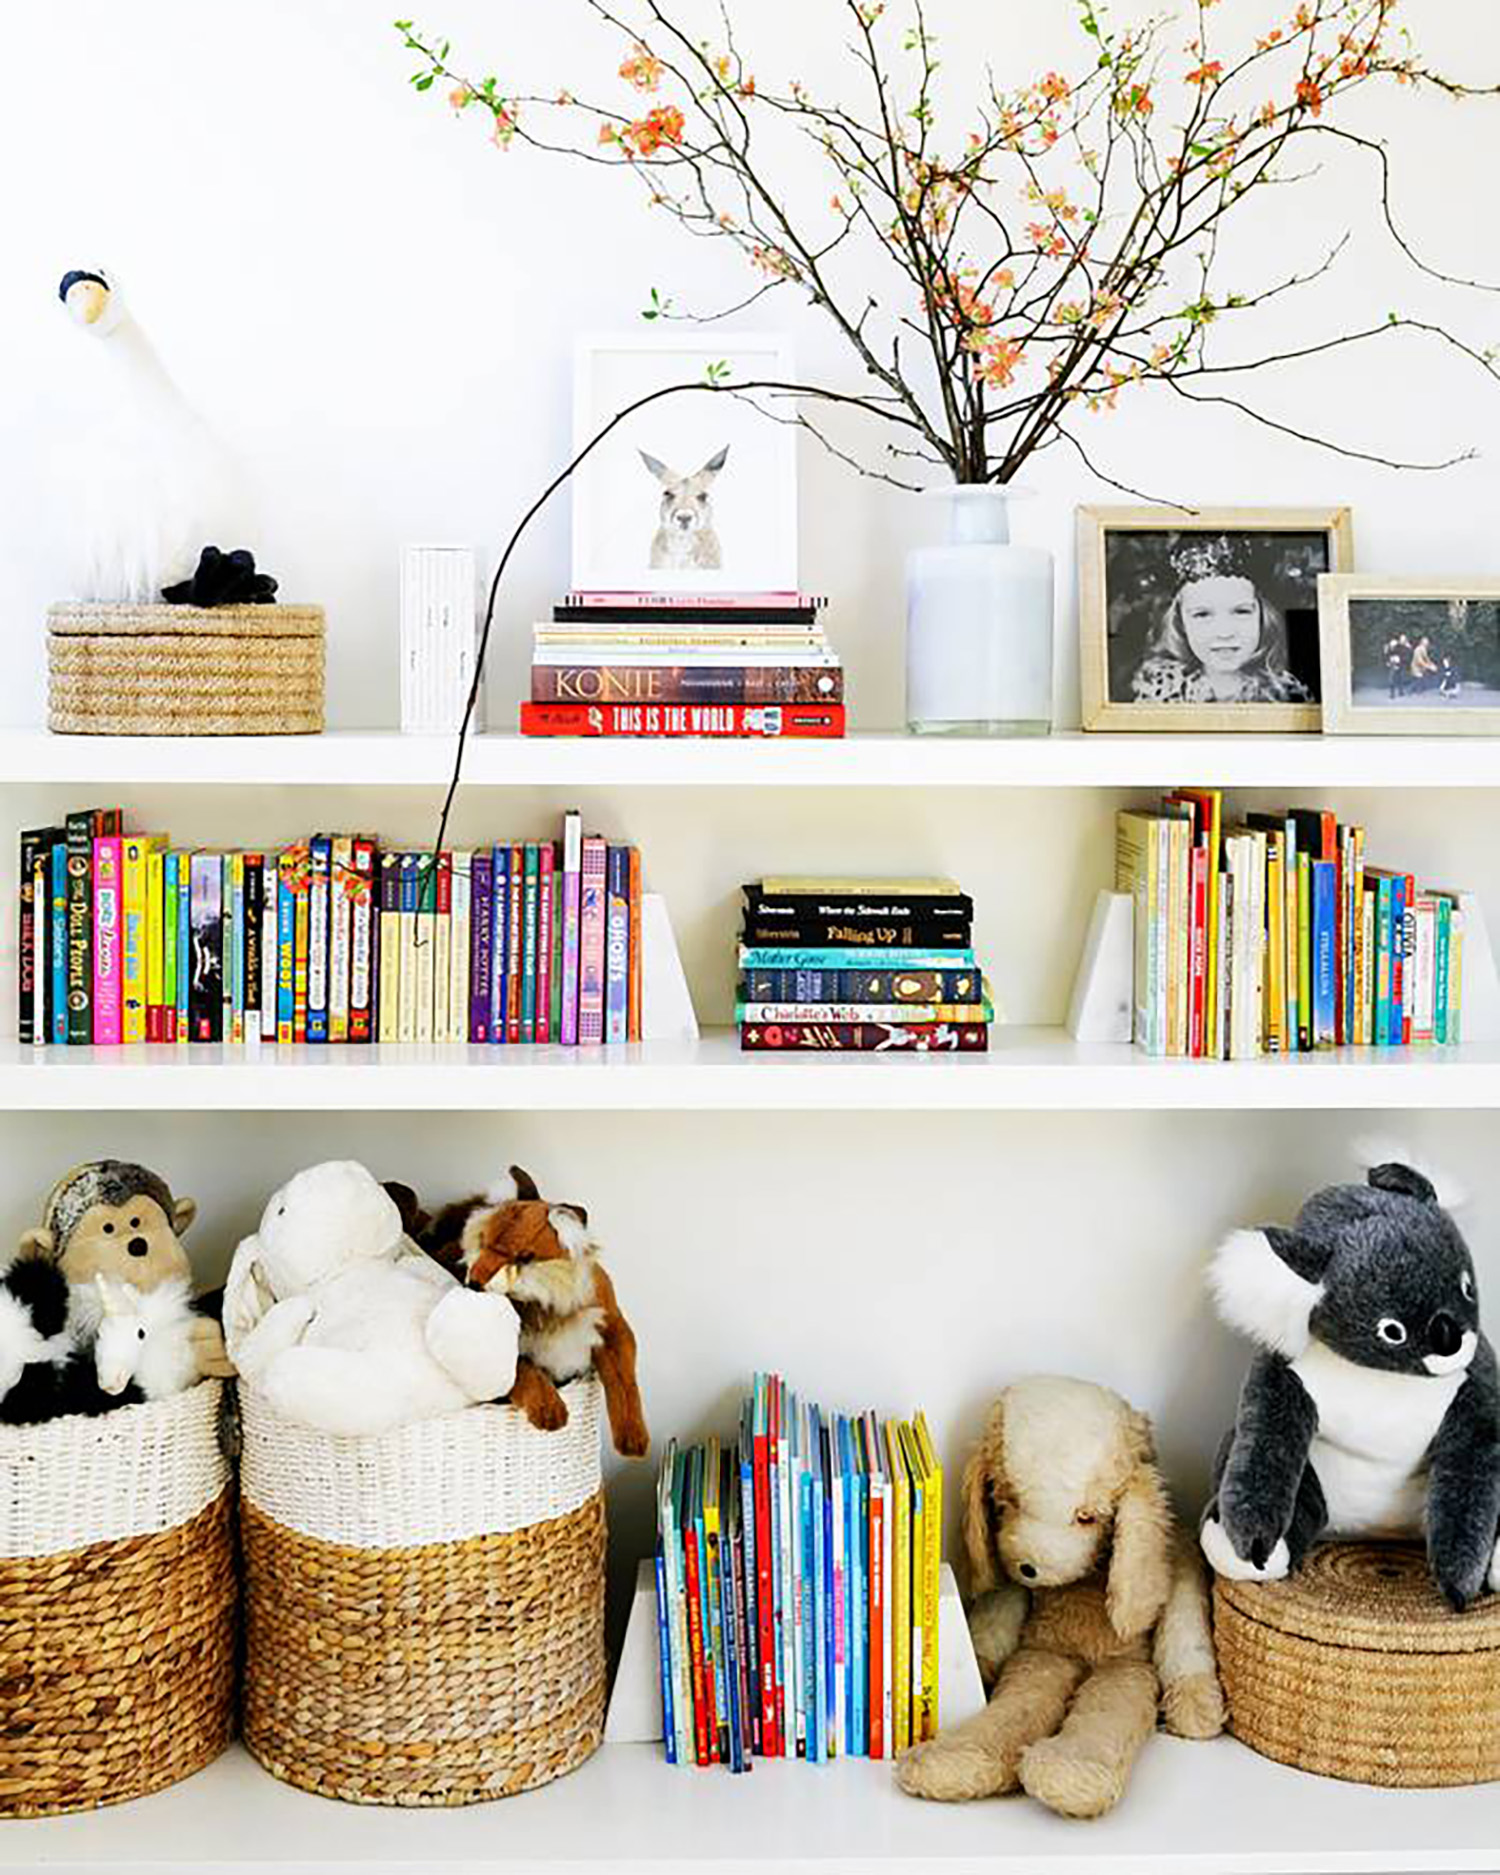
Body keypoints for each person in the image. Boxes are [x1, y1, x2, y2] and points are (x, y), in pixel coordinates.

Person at [1130, 538, 1313, 704]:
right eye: (1202, 615)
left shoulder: (1288, 696)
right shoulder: (1159, 698)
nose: (1224, 632)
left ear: (1263, 617)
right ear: (1180, 623)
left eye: (1241, 612)